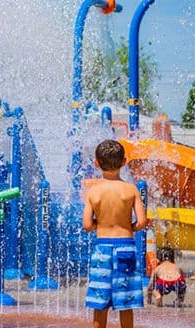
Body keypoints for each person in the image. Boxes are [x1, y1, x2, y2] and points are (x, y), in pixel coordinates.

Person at [83, 139, 147, 328]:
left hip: (102, 249)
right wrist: (130, 227)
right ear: (124, 162)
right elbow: (142, 221)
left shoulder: (93, 192)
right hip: (125, 247)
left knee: (100, 301)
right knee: (126, 301)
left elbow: (86, 225)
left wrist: (100, 223)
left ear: (96, 163)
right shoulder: (130, 189)